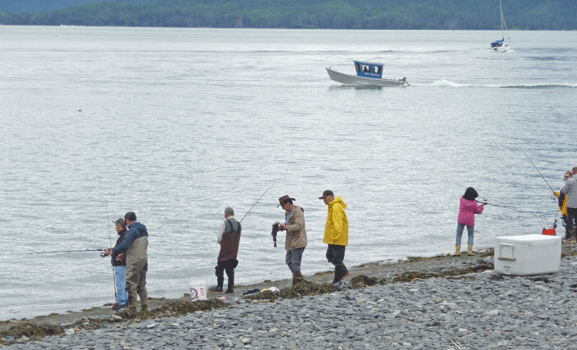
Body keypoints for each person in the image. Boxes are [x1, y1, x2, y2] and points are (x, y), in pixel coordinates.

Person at [106, 212, 148, 310]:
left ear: (127, 220)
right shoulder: (143, 228)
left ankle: (132, 307)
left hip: (135, 260)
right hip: (144, 259)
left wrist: (113, 250)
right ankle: (144, 306)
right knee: (141, 284)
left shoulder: (132, 231)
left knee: (131, 284)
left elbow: (125, 244)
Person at [319, 190, 350, 284]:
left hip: (337, 238)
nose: (324, 201)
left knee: (337, 259)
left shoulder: (336, 207)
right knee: (329, 255)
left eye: (325, 198)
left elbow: (338, 224)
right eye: (323, 199)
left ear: (331, 196)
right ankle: (344, 272)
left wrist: (336, 237)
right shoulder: (332, 206)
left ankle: (337, 280)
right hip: (332, 238)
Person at [278, 195, 307, 285]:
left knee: (295, 263)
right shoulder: (288, 212)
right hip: (291, 242)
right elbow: (289, 226)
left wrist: (286, 227)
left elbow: (299, 226)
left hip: (298, 241)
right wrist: (282, 228)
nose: (283, 208)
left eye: (283, 206)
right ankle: (299, 280)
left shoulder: (297, 211)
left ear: (288, 203)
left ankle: (297, 283)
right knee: (289, 261)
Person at [212, 207, 241, 294]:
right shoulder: (239, 225)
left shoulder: (224, 223)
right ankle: (230, 288)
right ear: (233, 214)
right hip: (234, 251)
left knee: (219, 268)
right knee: (230, 270)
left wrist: (221, 243)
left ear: (226, 214)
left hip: (225, 250)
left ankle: (220, 287)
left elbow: (219, 238)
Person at [455, 187, 486, 256]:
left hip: (461, 219)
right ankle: (469, 251)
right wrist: (482, 205)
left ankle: (457, 252)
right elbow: (478, 211)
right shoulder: (474, 203)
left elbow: (467, 202)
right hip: (470, 220)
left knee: (459, 235)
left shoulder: (461, 199)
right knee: (470, 235)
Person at [111, 218, 128, 310]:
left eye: (116, 226)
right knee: (124, 283)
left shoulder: (123, 236)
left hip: (120, 265)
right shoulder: (124, 236)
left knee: (121, 283)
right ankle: (124, 301)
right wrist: (111, 251)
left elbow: (120, 249)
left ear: (121, 226)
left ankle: (122, 302)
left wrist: (112, 251)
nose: (115, 228)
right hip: (123, 264)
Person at [555, 171, 572, 242]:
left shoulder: (570, 186)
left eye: (567, 177)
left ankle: (568, 236)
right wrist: (557, 194)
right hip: (563, 208)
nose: (565, 178)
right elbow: (563, 196)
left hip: (567, 208)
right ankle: (567, 236)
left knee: (568, 223)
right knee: (566, 222)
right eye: (565, 176)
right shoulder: (565, 186)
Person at [561, 167, 577, 243]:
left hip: (571, 204)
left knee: (569, 221)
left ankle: (570, 237)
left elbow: (564, 191)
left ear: (573, 172)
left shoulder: (570, 180)